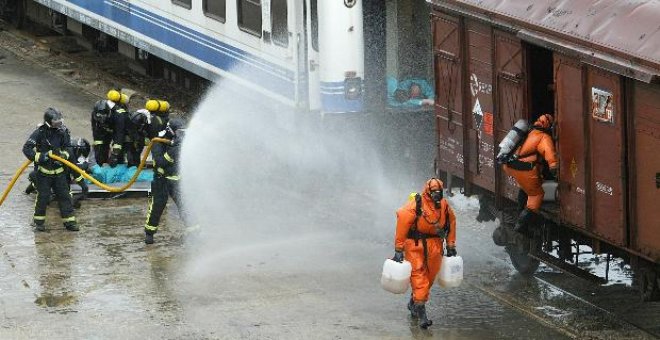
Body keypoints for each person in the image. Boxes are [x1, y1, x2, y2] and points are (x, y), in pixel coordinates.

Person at [391, 178, 457, 329]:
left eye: (439, 192)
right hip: (415, 245)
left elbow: (452, 222)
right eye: (434, 192)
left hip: (435, 246)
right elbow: (402, 220)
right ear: (428, 192)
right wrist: (399, 249)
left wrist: (451, 244)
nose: (437, 195)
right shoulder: (417, 203)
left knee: (429, 277)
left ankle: (414, 302)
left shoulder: (445, 206)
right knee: (419, 276)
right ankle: (422, 316)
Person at [22, 108, 78, 231]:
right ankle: (39, 223)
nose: (58, 123)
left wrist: (64, 155)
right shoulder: (39, 133)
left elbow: (69, 148)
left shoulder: (63, 132)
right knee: (43, 198)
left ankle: (70, 223)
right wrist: (41, 157)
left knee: (65, 197)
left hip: (59, 173)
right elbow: (26, 148)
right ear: (48, 121)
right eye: (55, 121)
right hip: (44, 174)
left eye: (59, 120)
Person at [503, 114, 558, 234]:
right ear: (548, 124)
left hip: (510, 166)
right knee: (536, 195)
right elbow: (549, 153)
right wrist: (554, 167)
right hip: (525, 170)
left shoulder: (528, 130)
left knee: (525, 187)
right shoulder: (543, 137)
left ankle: (519, 211)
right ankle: (521, 225)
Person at [144, 118, 186, 244]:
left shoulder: (179, 141)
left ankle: (194, 232)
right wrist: (175, 150)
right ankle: (149, 233)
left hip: (176, 180)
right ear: (171, 130)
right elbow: (161, 162)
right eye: (178, 132)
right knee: (157, 207)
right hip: (161, 180)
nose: (180, 135)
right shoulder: (158, 141)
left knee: (185, 206)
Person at [24, 137, 91, 209]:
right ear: (78, 150)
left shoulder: (60, 148)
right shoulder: (69, 152)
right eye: (80, 154)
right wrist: (84, 186)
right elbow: (75, 171)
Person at [91, 89, 128, 166]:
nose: (101, 120)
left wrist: (115, 154)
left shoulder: (119, 114)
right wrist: (98, 147)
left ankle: (119, 164)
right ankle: (100, 165)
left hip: (118, 129)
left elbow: (119, 134)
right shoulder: (96, 111)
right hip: (105, 129)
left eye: (103, 118)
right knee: (100, 149)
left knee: (119, 153)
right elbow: (95, 129)